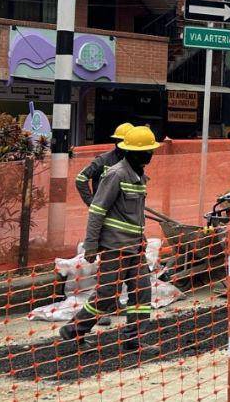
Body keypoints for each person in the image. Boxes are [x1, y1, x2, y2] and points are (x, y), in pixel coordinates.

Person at [60, 126, 161, 354]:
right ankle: (73, 331)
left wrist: (141, 239)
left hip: (135, 247)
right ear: (133, 153)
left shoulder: (139, 176)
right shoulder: (116, 174)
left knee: (142, 293)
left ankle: (132, 341)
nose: (150, 155)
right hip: (114, 248)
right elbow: (97, 211)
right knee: (106, 296)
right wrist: (91, 246)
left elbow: (133, 216)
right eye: (146, 151)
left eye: (150, 150)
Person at [75, 122, 134, 205]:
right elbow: (81, 179)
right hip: (104, 212)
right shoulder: (103, 160)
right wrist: (91, 202)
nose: (121, 144)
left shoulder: (133, 163)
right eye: (119, 141)